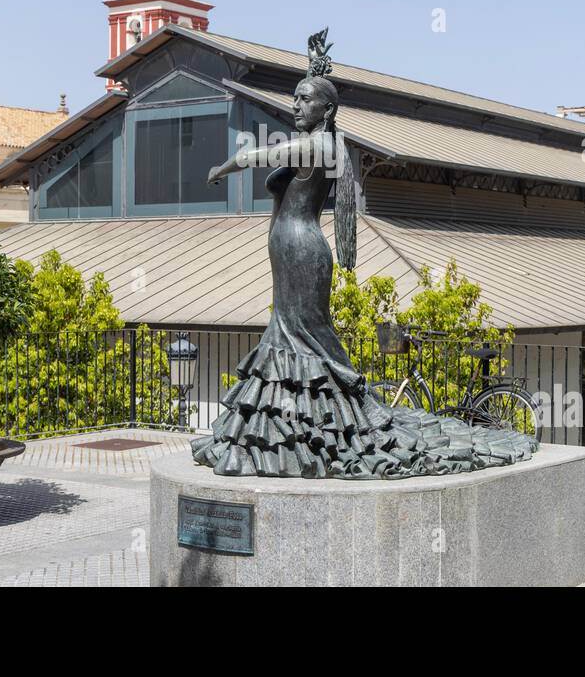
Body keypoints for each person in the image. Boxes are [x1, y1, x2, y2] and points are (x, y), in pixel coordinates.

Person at [191, 31, 537, 478]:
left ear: (327, 109)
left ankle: (334, 418)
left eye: (304, 99)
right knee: (289, 336)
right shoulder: (320, 142)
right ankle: (287, 432)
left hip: (301, 249)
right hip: (288, 249)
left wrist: (222, 167)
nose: (296, 106)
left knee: (309, 337)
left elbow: (264, 153)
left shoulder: (320, 145)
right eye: (294, 99)